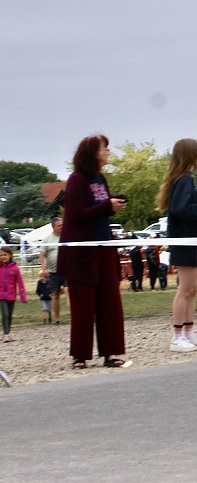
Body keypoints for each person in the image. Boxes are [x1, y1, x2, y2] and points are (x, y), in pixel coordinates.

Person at [56, 134, 129, 368]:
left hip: (103, 246)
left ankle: (111, 352)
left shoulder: (100, 178)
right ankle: (80, 355)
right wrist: (106, 206)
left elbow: (98, 210)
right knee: (83, 306)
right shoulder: (76, 180)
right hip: (81, 252)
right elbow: (76, 214)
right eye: (104, 149)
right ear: (92, 153)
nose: (108, 152)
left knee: (110, 302)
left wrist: (111, 206)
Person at [156, 138, 197, 353]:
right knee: (185, 289)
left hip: (191, 240)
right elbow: (180, 209)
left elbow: (184, 205)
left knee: (192, 289)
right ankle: (177, 336)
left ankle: (189, 330)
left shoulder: (186, 180)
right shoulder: (183, 179)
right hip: (185, 241)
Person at [38, 217, 66, 325]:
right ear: (53, 227)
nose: (62, 227)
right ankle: (57, 318)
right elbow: (41, 254)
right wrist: (43, 268)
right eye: (59, 225)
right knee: (55, 295)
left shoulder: (66, 236)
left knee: (69, 292)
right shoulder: (47, 239)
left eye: (63, 225)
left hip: (67, 270)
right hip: (53, 272)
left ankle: (75, 317)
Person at [0, 246, 27, 342]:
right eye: (1, 255)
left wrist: (23, 296)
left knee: (10, 315)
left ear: (10, 255)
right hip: (1, 295)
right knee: (5, 314)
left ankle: (8, 333)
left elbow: (20, 282)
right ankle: (6, 334)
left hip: (11, 295)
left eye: (5, 255)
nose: (3, 257)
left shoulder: (15, 268)